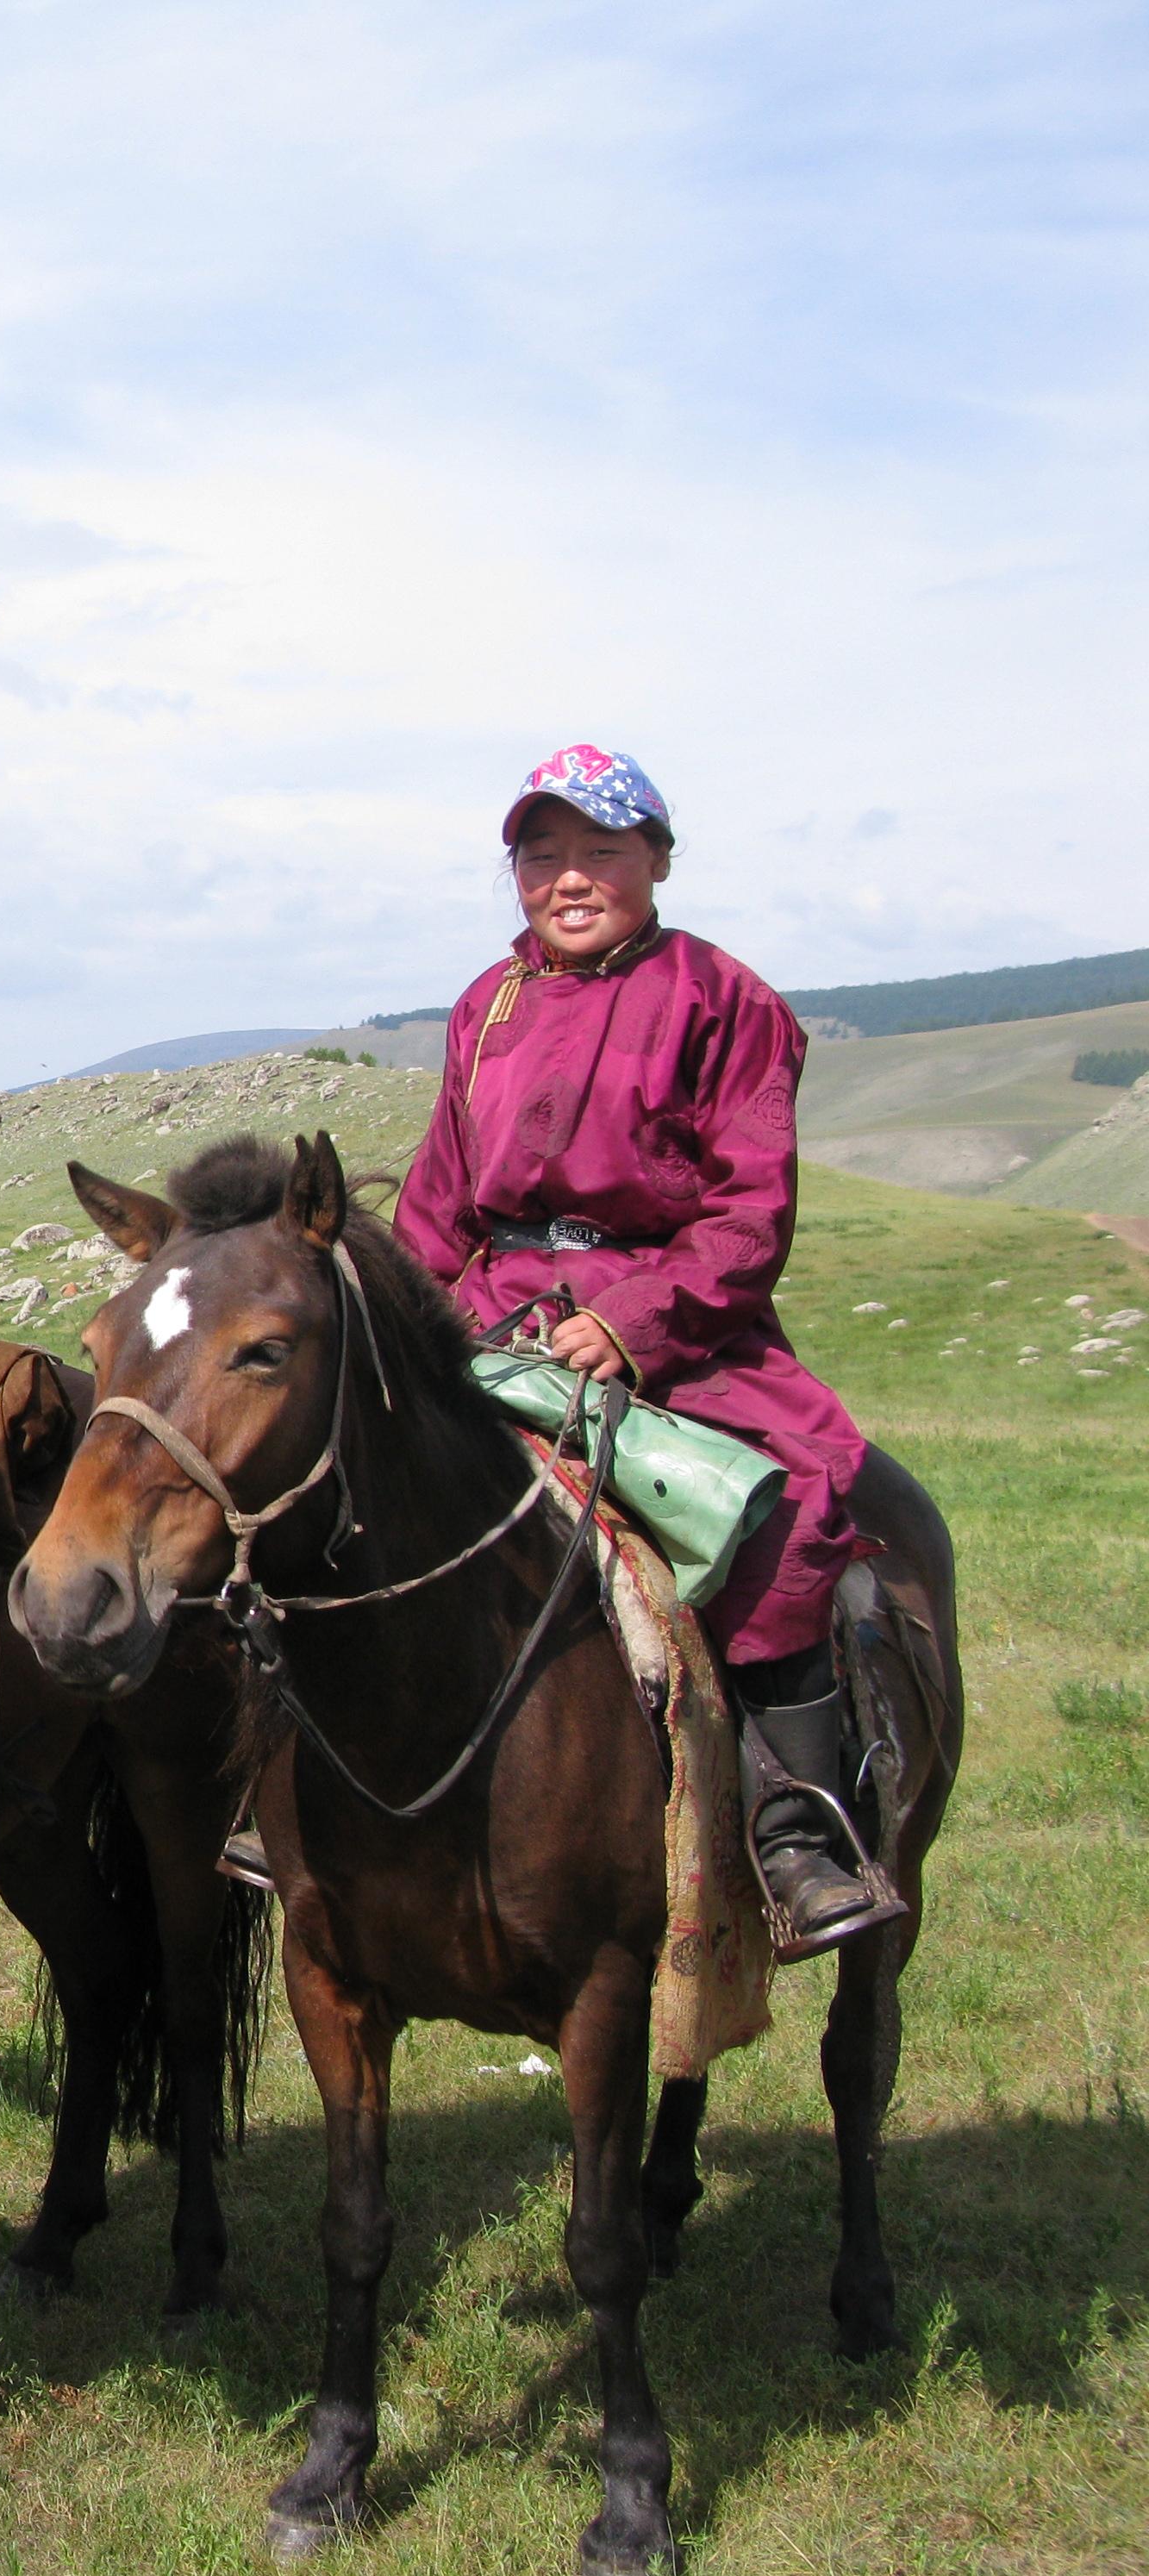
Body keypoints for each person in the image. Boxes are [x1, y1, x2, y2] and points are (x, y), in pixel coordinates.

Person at [395, 743, 902, 1958]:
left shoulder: (726, 1000)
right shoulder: (489, 1004)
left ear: (657, 863)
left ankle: (797, 1830)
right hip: (498, 1312)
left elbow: (747, 1212)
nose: (569, 878)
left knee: (779, 1516)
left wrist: (631, 1320)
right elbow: (439, 1201)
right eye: (542, 853)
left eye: (601, 852)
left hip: (675, 1323)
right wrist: (410, 1325)